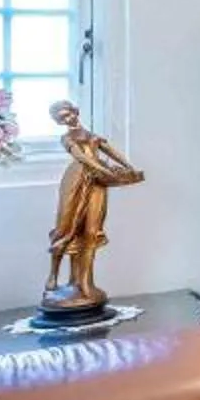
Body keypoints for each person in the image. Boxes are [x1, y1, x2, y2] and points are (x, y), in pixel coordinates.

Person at [40, 101, 145, 320]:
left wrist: (129, 167)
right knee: (66, 228)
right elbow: (82, 157)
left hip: (97, 183)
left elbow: (111, 151)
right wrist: (104, 170)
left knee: (92, 229)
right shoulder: (67, 138)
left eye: (68, 114)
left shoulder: (92, 134)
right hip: (77, 180)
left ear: (75, 112)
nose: (67, 120)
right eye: (62, 118)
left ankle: (84, 282)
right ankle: (54, 278)